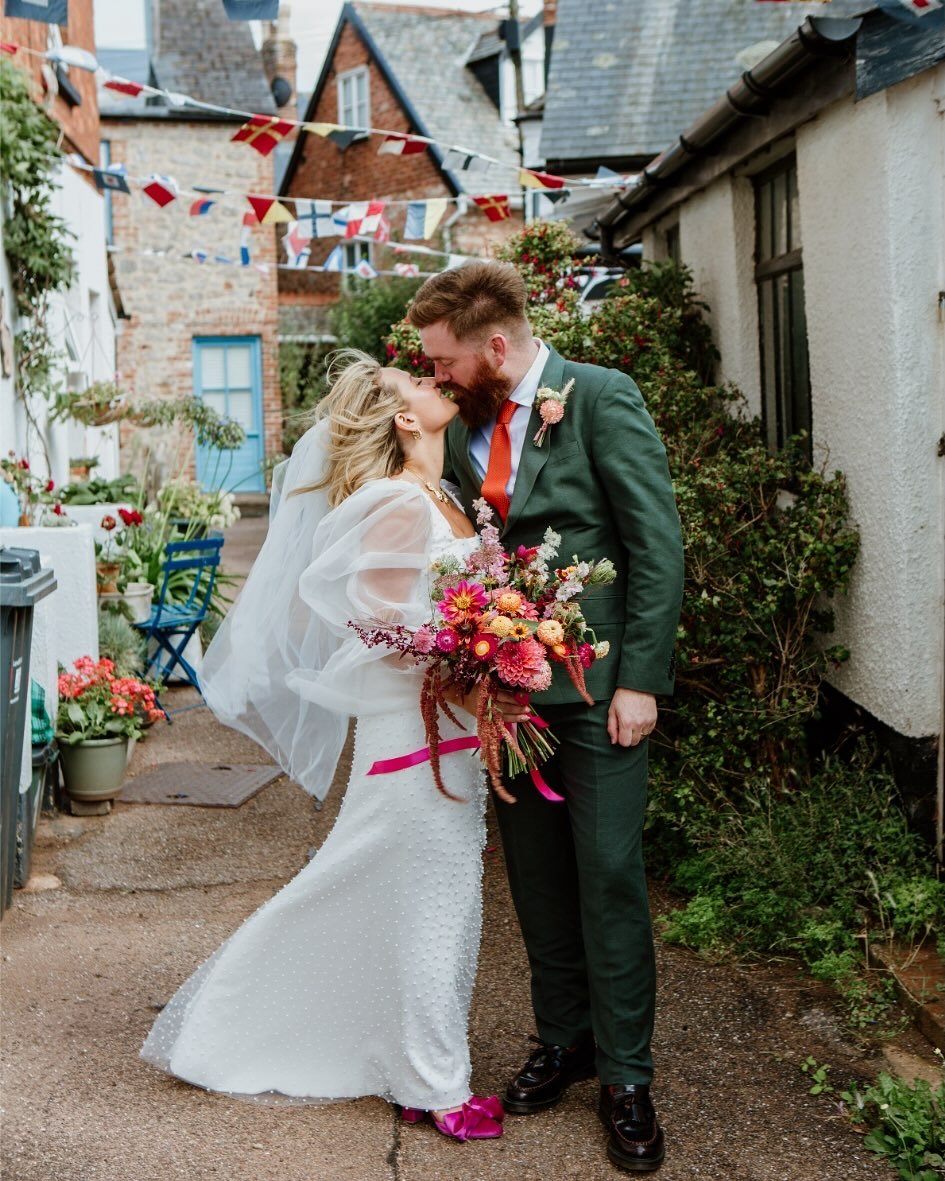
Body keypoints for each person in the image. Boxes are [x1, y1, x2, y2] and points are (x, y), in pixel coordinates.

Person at [140, 350, 521, 1142]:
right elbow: (377, 625)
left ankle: (417, 1062)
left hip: (447, 727)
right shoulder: (397, 503)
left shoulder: (442, 495)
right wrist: (469, 662)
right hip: (411, 726)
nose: (433, 382)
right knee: (421, 900)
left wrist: (498, 653)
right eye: (418, 383)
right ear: (404, 419)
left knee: (429, 897)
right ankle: (433, 1082)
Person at [407, 261, 685, 1173]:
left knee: (605, 873)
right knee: (532, 879)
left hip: (601, 693)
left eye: (444, 360)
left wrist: (639, 679)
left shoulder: (600, 398)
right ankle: (562, 1042)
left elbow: (654, 544)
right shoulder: (466, 424)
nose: (437, 376)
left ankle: (627, 1077)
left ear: (495, 345)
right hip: (507, 693)